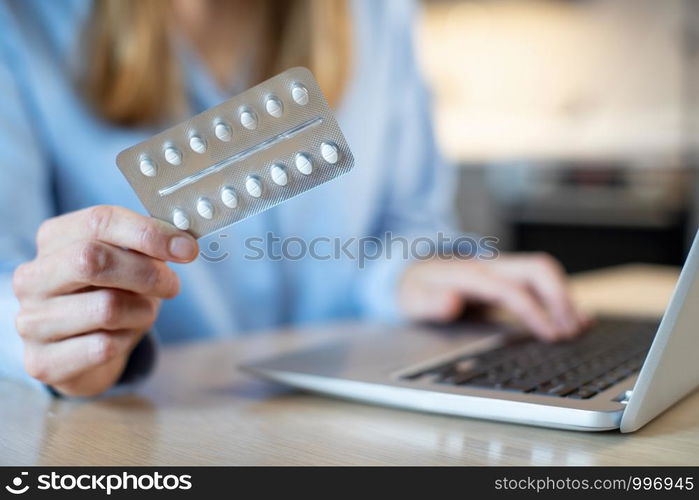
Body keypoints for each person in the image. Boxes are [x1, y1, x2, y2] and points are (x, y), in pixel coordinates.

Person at [0, 0, 586, 397]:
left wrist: (413, 273)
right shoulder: (21, 27)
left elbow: (408, 222)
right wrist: (57, 337)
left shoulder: (379, 16)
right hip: (156, 429)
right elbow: (10, 280)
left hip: (357, 415)